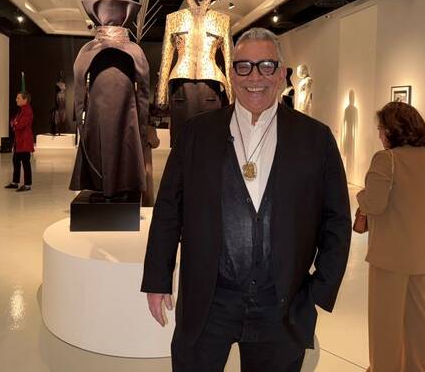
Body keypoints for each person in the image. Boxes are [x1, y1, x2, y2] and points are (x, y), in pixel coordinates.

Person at [142, 27, 351, 372]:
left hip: (281, 305)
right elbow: (168, 210)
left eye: (267, 66)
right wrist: (157, 278)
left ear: (282, 74)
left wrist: (318, 289)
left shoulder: (315, 138)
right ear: (231, 74)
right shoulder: (196, 133)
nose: (255, 77)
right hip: (209, 300)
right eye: (244, 66)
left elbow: (337, 220)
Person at [356, 102, 425, 372]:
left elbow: (374, 204)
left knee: (386, 321)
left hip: (391, 255)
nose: (379, 135)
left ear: (392, 129)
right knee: (420, 318)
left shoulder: (387, 159)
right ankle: (418, 367)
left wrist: (360, 194)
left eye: (380, 129)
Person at [6, 91, 34, 192]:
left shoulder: (27, 110)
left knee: (25, 163)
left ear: (25, 100)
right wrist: (15, 123)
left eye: (18, 98)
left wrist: (15, 123)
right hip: (19, 141)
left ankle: (27, 184)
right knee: (16, 161)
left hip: (24, 141)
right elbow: (13, 121)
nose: (16, 100)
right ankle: (15, 182)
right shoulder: (22, 110)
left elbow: (20, 124)